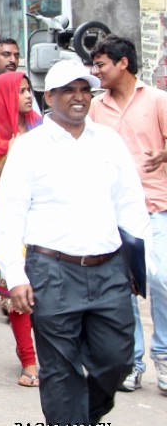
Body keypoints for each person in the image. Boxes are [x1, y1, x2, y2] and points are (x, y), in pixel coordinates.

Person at [0, 59, 150, 426]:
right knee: (60, 368)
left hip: (109, 267)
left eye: (86, 89)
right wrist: (16, 276)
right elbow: (8, 217)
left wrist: (140, 264)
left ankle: (83, 420)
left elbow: (132, 207)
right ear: (50, 98)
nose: (79, 97)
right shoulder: (29, 148)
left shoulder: (109, 143)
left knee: (116, 359)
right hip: (51, 268)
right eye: (69, 90)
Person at [89, 36, 167, 395]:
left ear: (123, 63)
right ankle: (132, 362)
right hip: (113, 211)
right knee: (124, 288)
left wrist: (162, 157)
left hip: (157, 205)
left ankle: (163, 355)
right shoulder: (94, 108)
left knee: (160, 279)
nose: (96, 71)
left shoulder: (156, 100)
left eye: (101, 63)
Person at [0, 71, 42, 387]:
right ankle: (28, 360)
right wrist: (12, 155)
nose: (28, 96)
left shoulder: (43, 128)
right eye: (21, 91)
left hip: (42, 213)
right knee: (17, 290)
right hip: (6, 215)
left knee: (47, 289)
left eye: (29, 90)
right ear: (4, 96)